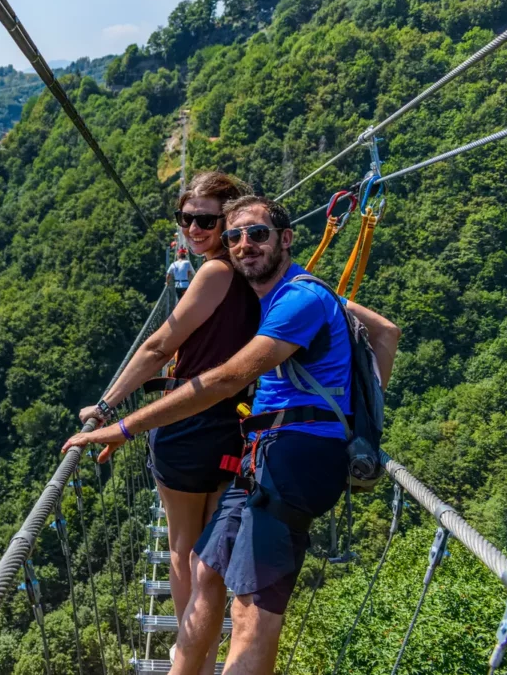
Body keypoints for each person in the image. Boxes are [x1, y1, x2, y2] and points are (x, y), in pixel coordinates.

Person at [64, 196, 401, 675]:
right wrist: (357, 415)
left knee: (250, 616)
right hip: (262, 457)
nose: (245, 244)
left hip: (296, 462)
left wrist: (123, 427)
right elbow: (385, 332)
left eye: (258, 234)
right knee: (206, 571)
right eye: (235, 236)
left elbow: (225, 380)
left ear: (285, 239)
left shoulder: (300, 300)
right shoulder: (287, 293)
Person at [75, 172, 259, 671]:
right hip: (237, 427)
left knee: (183, 550)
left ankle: (189, 657)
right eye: (186, 218)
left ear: (229, 219)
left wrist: (107, 407)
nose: (194, 229)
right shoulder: (258, 270)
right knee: (211, 555)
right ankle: (202, 653)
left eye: (206, 219)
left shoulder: (214, 273)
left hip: (187, 429)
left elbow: (159, 347)